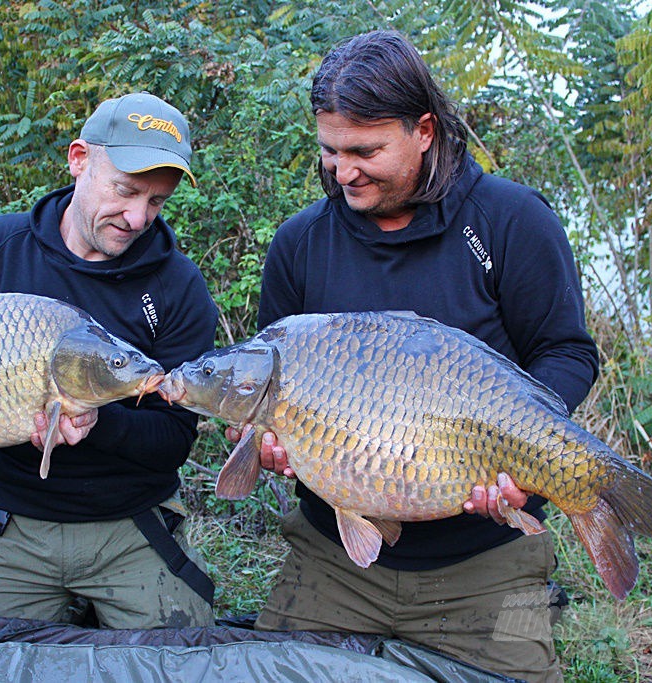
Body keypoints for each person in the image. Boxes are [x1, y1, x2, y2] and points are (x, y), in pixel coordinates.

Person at [238, 31, 599, 682]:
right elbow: (263, 387)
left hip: (495, 558)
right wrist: (267, 443)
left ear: (424, 131)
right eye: (329, 150)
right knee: (269, 669)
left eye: (365, 151)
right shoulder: (298, 246)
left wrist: (526, 448)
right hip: (333, 556)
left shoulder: (512, 222)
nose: (342, 172)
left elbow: (567, 352)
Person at [0, 92, 218, 628]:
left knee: (181, 662)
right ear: (79, 159)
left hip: (129, 518)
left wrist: (97, 423)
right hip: (11, 510)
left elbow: (174, 441)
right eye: (126, 190)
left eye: (156, 203)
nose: (137, 218)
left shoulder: (179, 287)